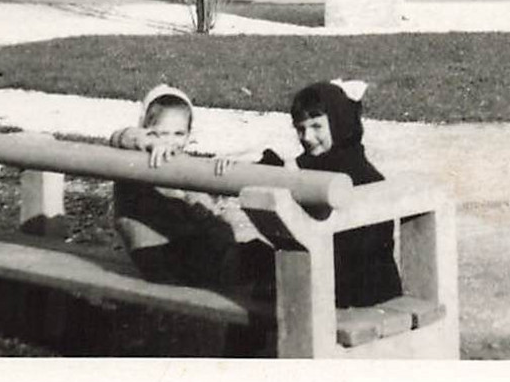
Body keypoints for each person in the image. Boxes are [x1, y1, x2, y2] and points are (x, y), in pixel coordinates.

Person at [258, 81, 403, 309]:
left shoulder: (356, 171)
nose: (307, 136)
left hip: (361, 287)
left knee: (269, 276)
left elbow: (357, 248)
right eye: (300, 128)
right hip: (333, 273)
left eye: (317, 126)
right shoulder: (316, 162)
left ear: (339, 123)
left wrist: (295, 180)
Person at [108, 85, 269, 289]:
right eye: (162, 133)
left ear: (188, 134)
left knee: (259, 253)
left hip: (185, 253)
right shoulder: (136, 160)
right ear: (145, 129)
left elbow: (209, 215)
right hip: (158, 256)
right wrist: (149, 142)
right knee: (259, 259)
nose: (171, 142)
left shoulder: (182, 164)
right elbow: (119, 137)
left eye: (179, 134)